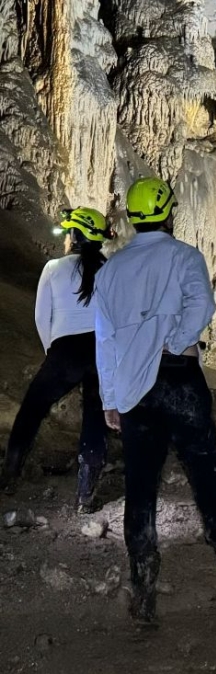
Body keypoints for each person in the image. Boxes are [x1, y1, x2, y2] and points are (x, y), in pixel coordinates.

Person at [95, 177, 216, 623]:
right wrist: (175, 342)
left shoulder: (110, 271)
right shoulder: (183, 256)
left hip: (135, 388)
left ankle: (143, 596)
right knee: (206, 479)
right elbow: (201, 307)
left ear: (135, 219)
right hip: (178, 380)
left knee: (140, 488)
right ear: (168, 213)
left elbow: (104, 342)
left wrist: (110, 399)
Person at [1, 207, 112, 512]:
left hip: (65, 350)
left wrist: (53, 353)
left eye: (68, 232)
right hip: (100, 350)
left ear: (76, 236)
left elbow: (41, 317)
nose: (65, 237)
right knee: (95, 415)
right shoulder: (109, 270)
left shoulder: (53, 268)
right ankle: (85, 493)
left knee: (32, 409)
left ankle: (10, 473)